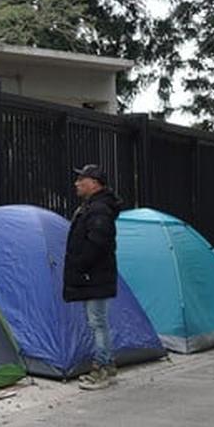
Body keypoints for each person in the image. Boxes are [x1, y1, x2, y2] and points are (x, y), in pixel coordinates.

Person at [63, 163, 122, 390]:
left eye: (82, 180)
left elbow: (97, 243)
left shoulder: (99, 210)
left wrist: (80, 265)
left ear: (94, 183)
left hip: (94, 275)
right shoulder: (93, 207)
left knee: (97, 322)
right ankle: (109, 366)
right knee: (98, 321)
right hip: (94, 275)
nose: (76, 183)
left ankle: (100, 371)